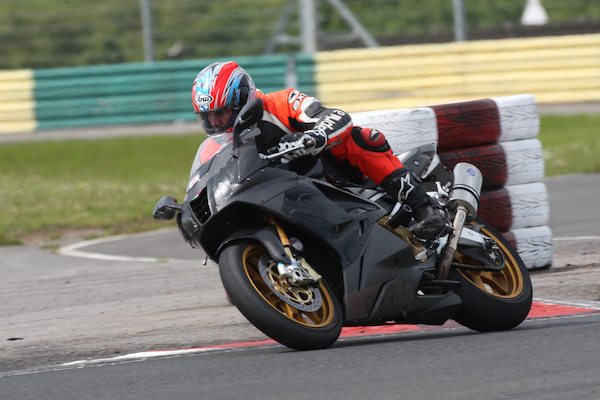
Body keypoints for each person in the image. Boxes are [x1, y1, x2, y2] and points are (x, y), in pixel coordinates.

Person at [191, 61, 447, 240]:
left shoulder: (279, 104)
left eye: (222, 113)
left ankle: (423, 207)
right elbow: (206, 179)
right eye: (208, 117)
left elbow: (336, 116)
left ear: (243, 98)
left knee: (360, 138)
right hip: (280, 201)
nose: (216, 122)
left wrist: (313, 137)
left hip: (331, 178)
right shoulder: (214, 147)